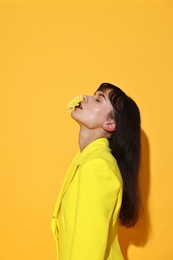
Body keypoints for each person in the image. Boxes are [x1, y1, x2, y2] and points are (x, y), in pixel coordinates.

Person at [51, 82, 141, 260]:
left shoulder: (98, 167)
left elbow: (88, 251)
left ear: (110, 123)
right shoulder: (88, 161)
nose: (85, 97)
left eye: (98, 99)